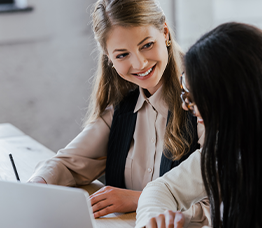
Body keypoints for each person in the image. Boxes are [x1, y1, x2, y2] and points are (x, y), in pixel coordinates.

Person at [135, 22, 262, 228]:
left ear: (233, 98)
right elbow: (161, 188)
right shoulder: (227, 144)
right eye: (187, 94)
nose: (187, 106)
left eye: (195, 97)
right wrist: (155, 221)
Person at [28, 0, 208, 222]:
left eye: (147, 44)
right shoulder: (120, 110)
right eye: (122, 55)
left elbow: (222, 203)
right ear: (108, 57)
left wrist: (142, 199)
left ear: (165, 33)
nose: (140, 62)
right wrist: (35, 187)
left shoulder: (200, 106)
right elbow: (65, 163)